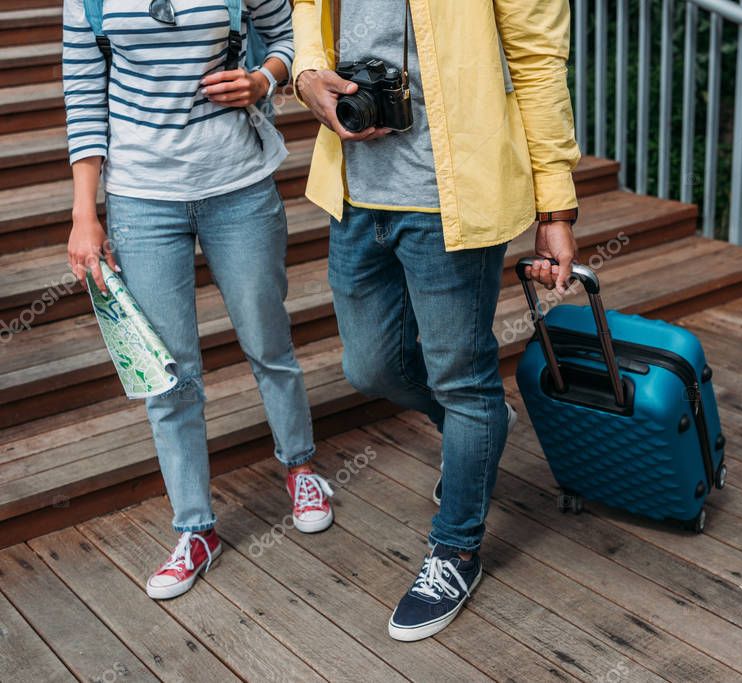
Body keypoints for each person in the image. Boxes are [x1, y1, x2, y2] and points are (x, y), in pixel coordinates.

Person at [292, 0, 580, 640]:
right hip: (353, 193)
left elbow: (537, 64)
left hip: (450, 199)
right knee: (370, 367)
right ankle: (478, 425)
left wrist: (555, 208)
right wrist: (307, 73)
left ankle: (455, 552)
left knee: (462, 379)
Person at [63, 0, 334, 600]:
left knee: (267, 338)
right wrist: (85, 213)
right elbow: (83, 95)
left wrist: (264, 79)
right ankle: (195, 529)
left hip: (238, 185)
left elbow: (287, 35)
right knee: (169, 371)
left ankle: (301, 467)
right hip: (140, 196)